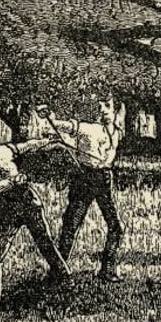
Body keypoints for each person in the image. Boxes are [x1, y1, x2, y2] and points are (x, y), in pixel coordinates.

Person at [0, 127, 70, 310]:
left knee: (45, 244)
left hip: (26, 200)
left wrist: (48, 141)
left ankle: (66, 285)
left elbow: (26, 146)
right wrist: (12, 181)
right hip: (9, 208)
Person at [37, 97, 127, 282]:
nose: (103, 110)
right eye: (100, 106)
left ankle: (107, 270)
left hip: (104, 179)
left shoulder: (117, 130)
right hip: (85, 178)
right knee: (71, 226)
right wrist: (52, 120)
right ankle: (58, 272)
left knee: (116, 228)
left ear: (116, 109)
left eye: (107, 106)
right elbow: (70, 127)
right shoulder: (91, 128)